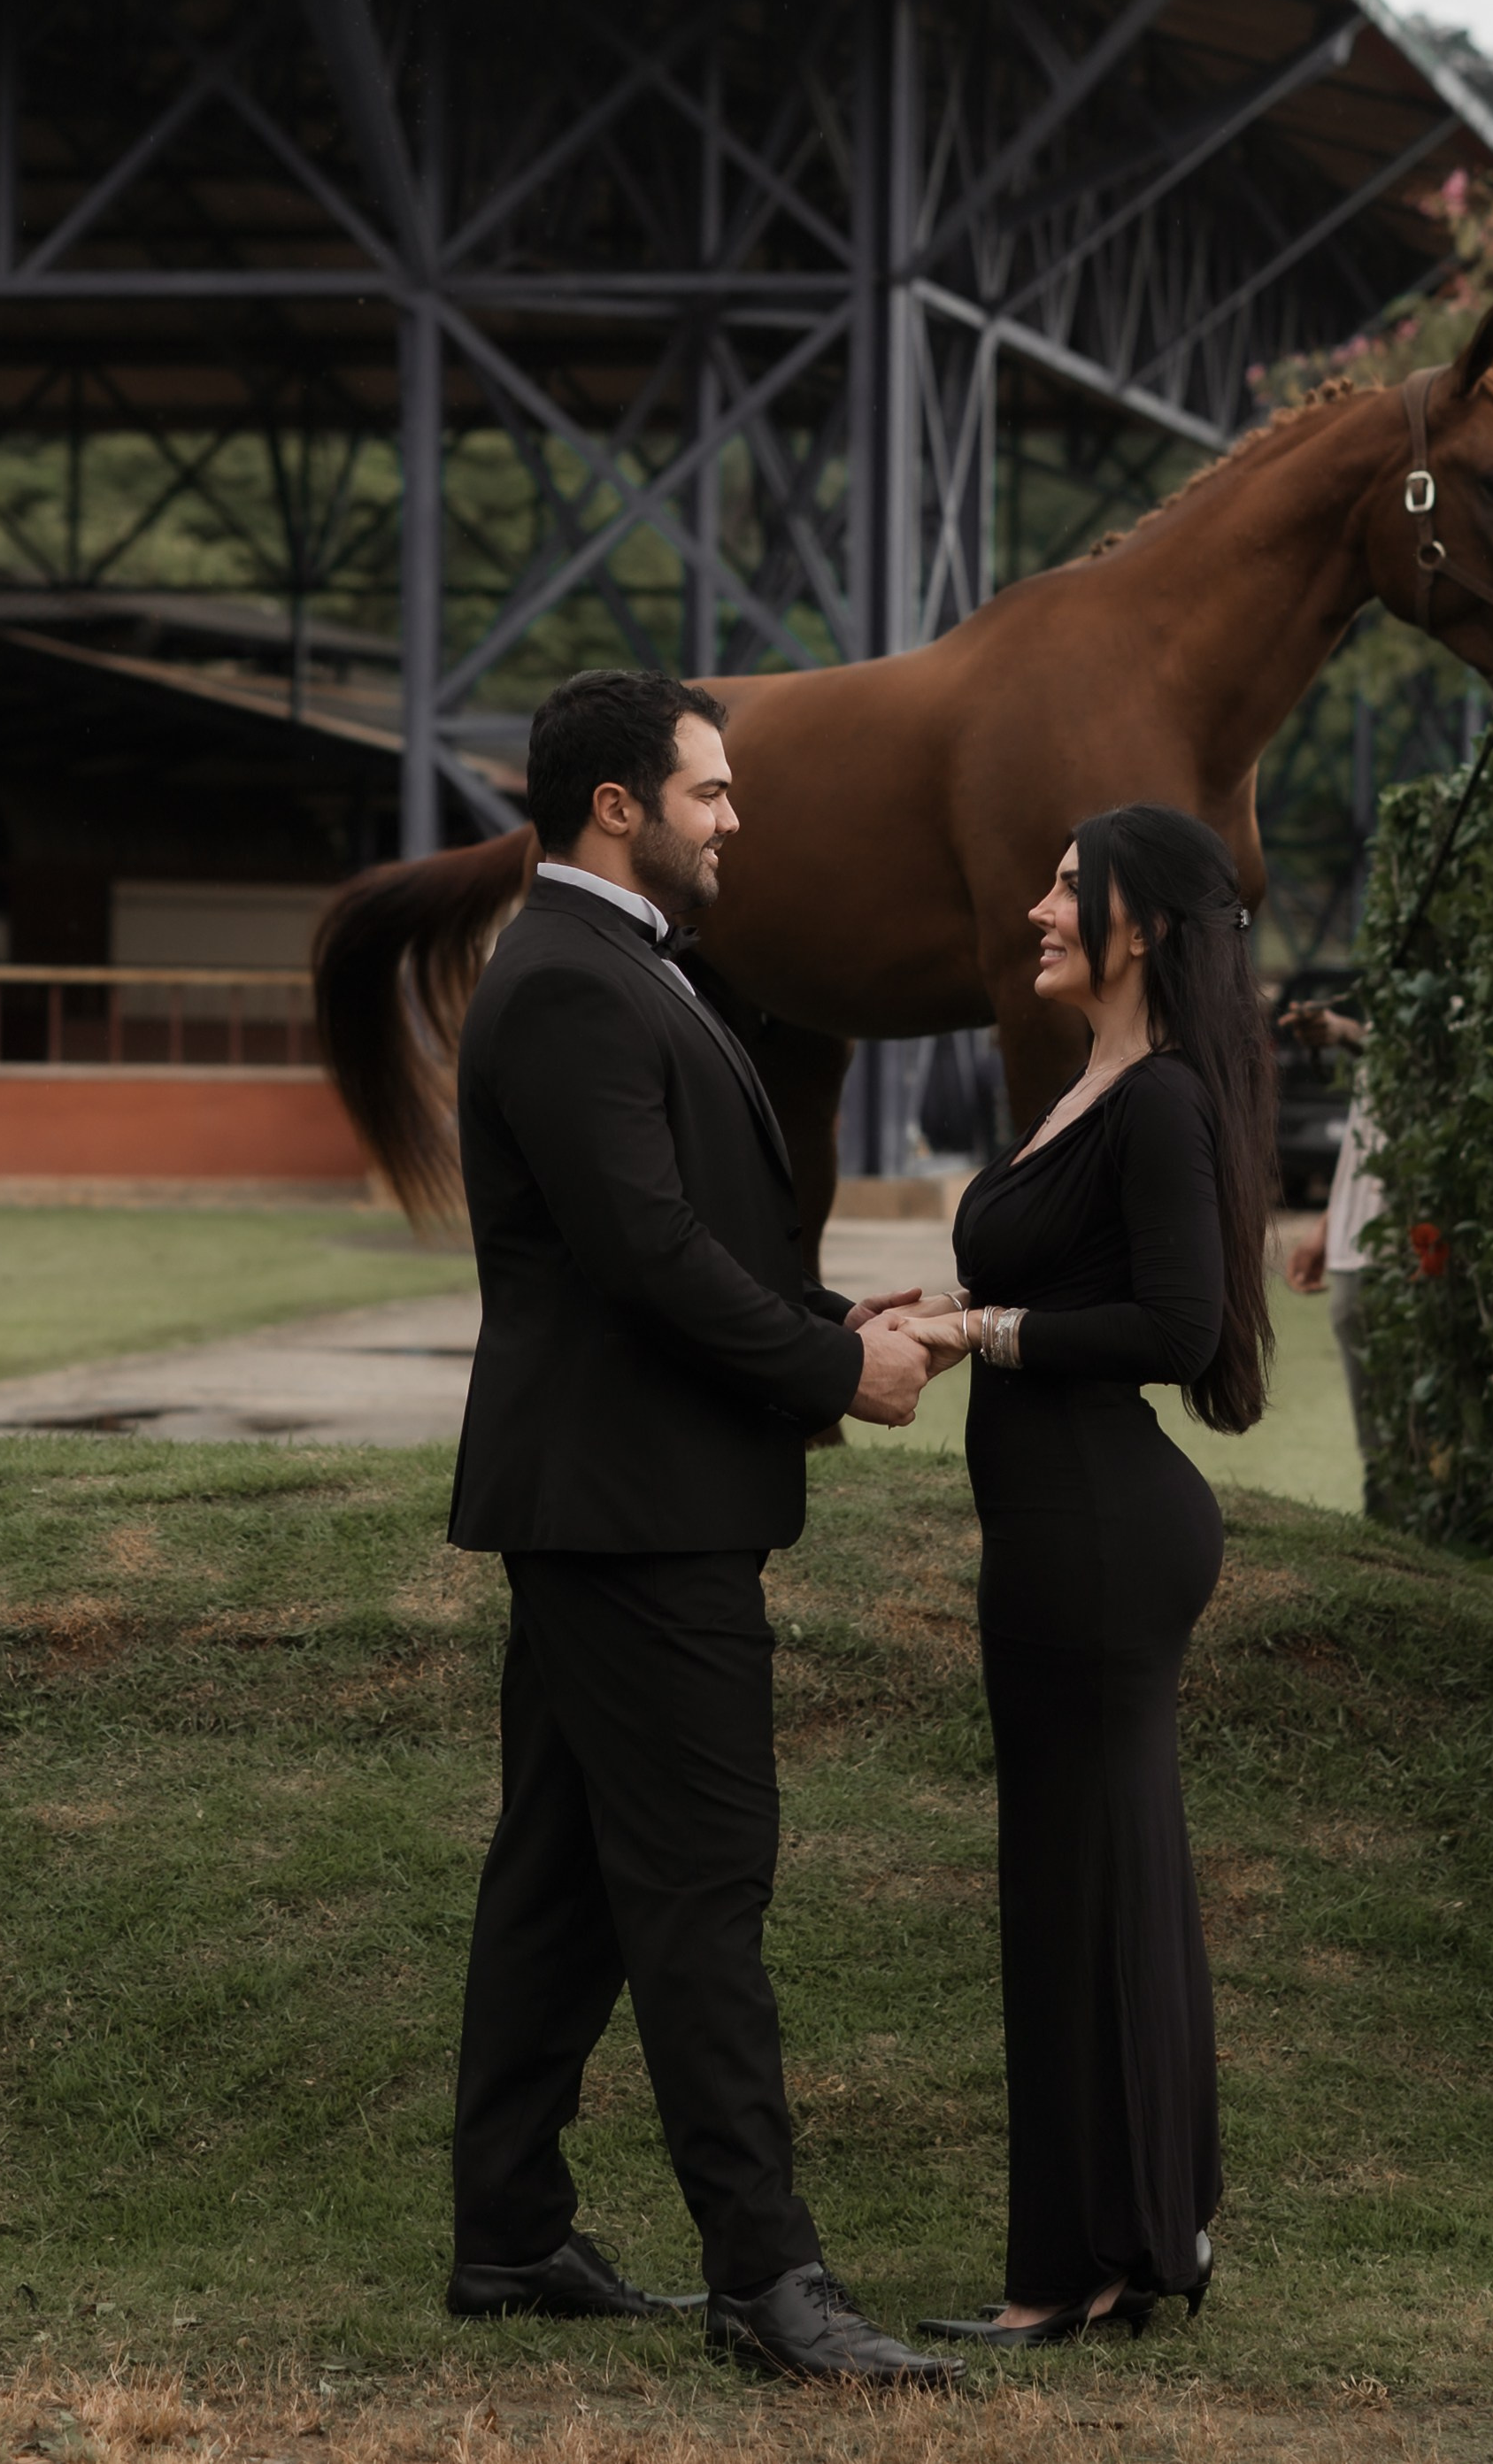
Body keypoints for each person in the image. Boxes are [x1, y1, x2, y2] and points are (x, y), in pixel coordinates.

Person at [445, 669, 966, 2388]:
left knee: (563, 1882)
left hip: (619, 1496)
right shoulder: (573, 981)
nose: (736, 816)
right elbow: (642, 1260)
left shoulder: (611, 968)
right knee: (699, 1885)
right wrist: (835, 1365)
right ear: (618, 805)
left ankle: (508, 2228)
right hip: (632, 1510)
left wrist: (833, 1303)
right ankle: (769, 2279)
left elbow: (684, 1229)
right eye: (711, 791)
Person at [894, 804, 1275, 2348]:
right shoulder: (1089, 1089)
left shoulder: (1161, 1101)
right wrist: (946, 1300)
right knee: (1077, 1887)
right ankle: (1125, 2238)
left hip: (1104, 1539)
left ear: (1141, 928)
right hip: (1060, 1532)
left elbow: (1174, 1329)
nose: (1041, 906)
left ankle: (1091, 2260)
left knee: (1086, 1891)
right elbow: (1066, 1281)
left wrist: (985, 1332)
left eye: (1069, 888)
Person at [1280, 1001, 1384, 1515]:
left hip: (1411, 1248)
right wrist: (1327, 1226)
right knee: (1378, 1451)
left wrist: (1343, 1029)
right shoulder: (1397, 984)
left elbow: (1400, 1058)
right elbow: (1370, 1125)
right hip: (1355, 1247)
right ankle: (1389, 1532)